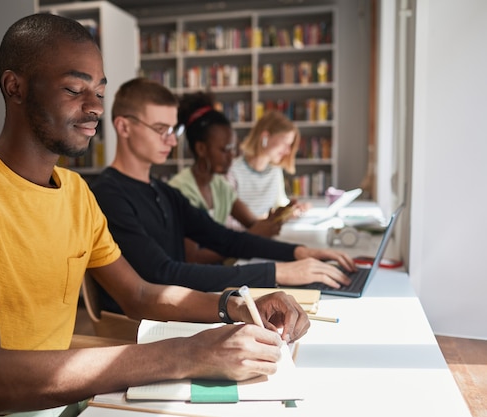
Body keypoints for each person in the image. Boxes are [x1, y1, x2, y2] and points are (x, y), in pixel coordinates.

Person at [0, 14, 312, 417]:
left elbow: (140, 295)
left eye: (100, 91)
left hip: (58, 403)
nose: (94, 107)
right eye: (75, 89)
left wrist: (235, 305)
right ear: (14, 87)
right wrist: (185, 354)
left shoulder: (75, 192)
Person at [90, 77, 356, 315]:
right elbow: (162, 273)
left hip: (179, 308)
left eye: (174, 131)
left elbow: (226, 239)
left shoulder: (162, 191)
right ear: (124, 127)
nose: (171, 142)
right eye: (161, 129)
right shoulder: (108, 195)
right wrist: (277, 272)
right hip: (145, 324)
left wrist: (299, 252)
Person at [169, 91, 290, 265]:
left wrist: (273, 221)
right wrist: (253, 235)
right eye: (224, 150)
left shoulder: (219, 184)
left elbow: (252, 223)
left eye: (233, 149)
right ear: (201, 149)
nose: (231, 157)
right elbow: (194, 258)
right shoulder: (181, 190)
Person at [227, 109, 311, 226]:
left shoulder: (275, 171)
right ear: (265, 137)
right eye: (285, 144)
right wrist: (264, 220)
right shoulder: (232, 171)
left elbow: (279, 204)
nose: (288, 151)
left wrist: (293, 210)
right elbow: (227, 219)